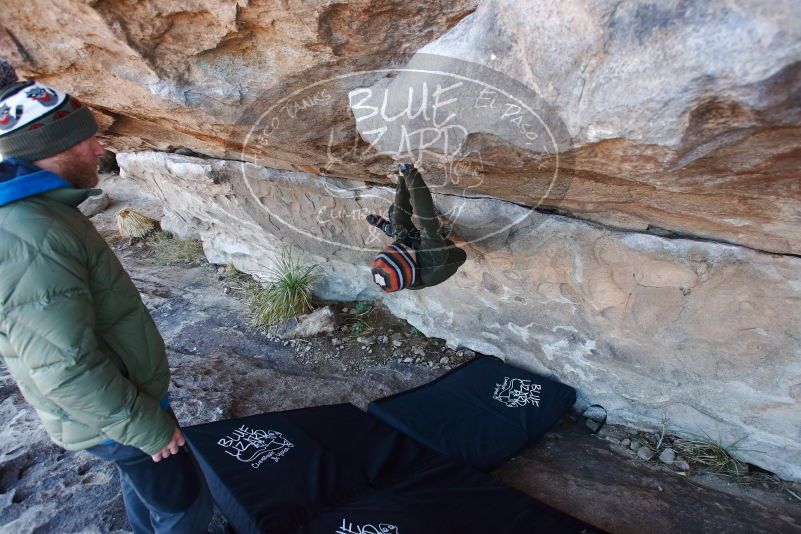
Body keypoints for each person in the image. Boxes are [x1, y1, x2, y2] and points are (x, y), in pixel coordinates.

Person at [0, 61, 213, 533]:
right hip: (112, 412)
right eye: (85, 141)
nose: (100, 149)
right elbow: (64, 366)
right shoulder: (29, 233)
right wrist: (145, 427)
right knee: (186, 506)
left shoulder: (34, 212)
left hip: (111, 407)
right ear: (49, 151)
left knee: (150, 491)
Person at [368, 164, 466, 292]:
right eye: (403, 249)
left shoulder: (405, 272)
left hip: (415, 255)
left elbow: (399, 216)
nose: (401, 245)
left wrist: (402, 180)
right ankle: (440, 235)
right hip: (450, 254)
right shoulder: (431, 260)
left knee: (395, 216)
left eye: (397, 247)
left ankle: (389, 228)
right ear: (411, 264)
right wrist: (409, 172)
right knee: (429, 229)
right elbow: (425, 215)